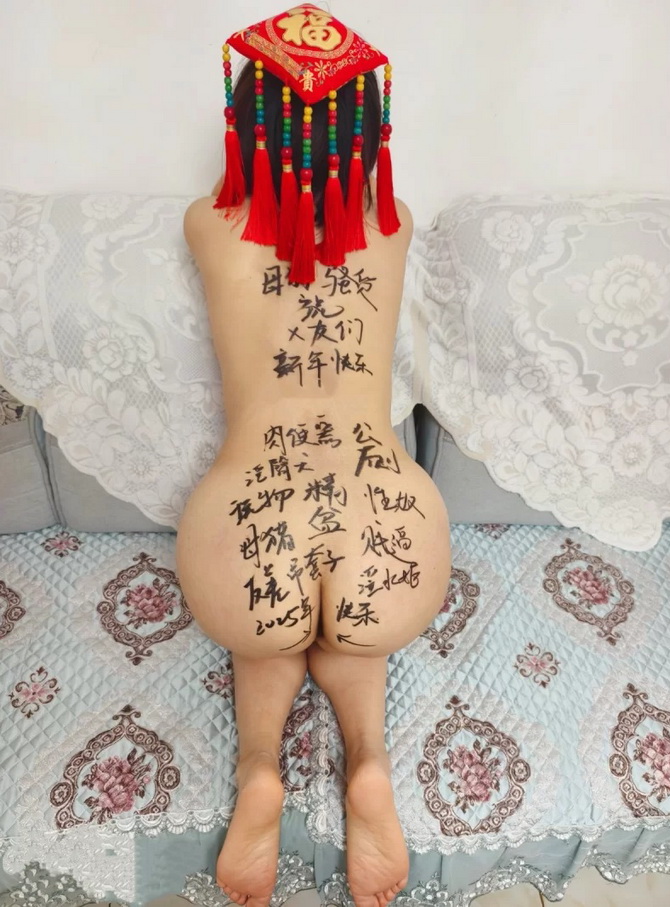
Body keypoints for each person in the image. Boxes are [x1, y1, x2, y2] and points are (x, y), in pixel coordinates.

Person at [176, 8, 451, 907]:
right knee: (351, 632)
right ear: (368, 135)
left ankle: (260, 768)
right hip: (389, 529)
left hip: (246, 534)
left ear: (245, 123)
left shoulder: (206, 224)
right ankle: (367, 762)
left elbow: (254, 205)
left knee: (270, 639)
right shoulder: (395, 222)